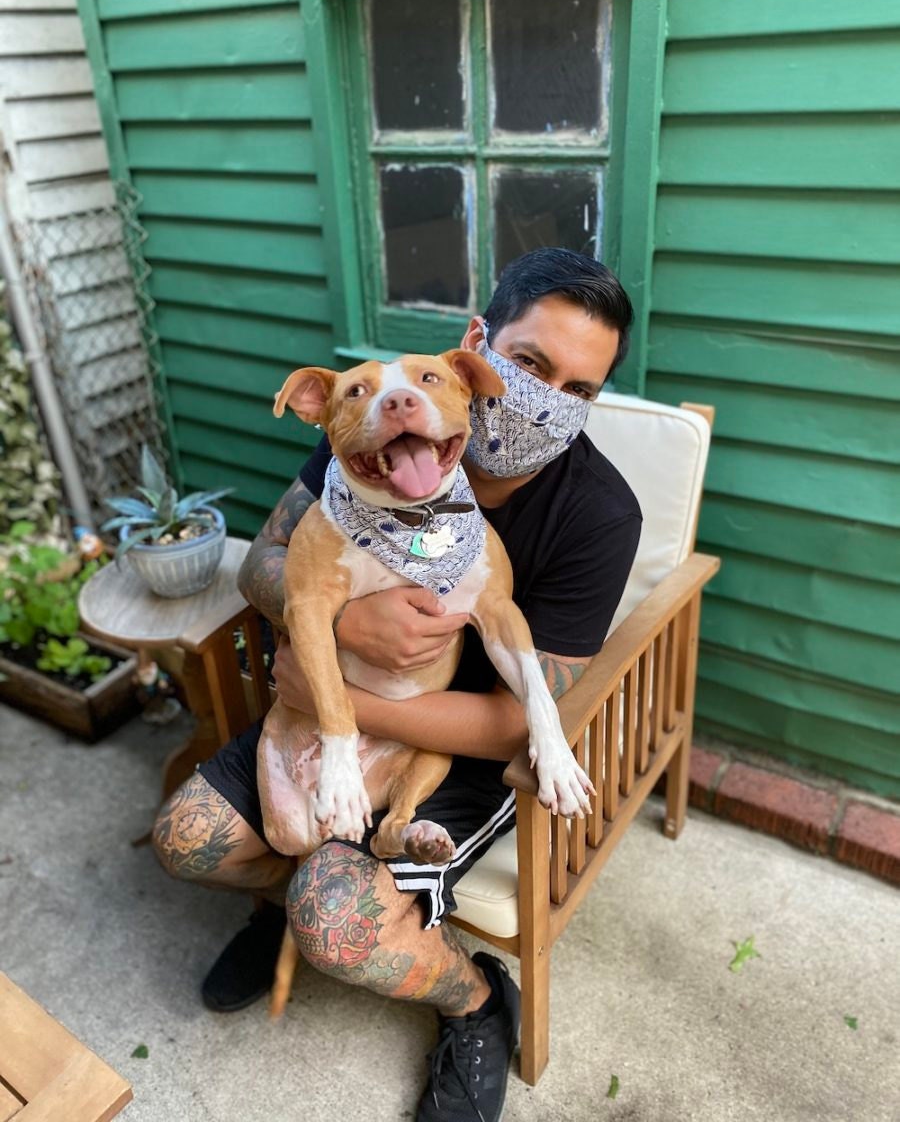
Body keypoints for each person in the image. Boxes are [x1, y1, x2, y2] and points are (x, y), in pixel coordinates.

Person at [152, 247, 642, 1122]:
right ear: (475, 345)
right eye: (529, 365)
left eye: (579, 389)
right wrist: (338, 622)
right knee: (187, 838)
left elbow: (516, 718)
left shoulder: (600, 511)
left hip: (448, 747)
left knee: (335, 920)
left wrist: (340, 704)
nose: (546, 400)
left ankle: (475, 1002)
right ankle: (283, 893)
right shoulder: (369, 436)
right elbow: (265, 560)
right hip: (326, 701)